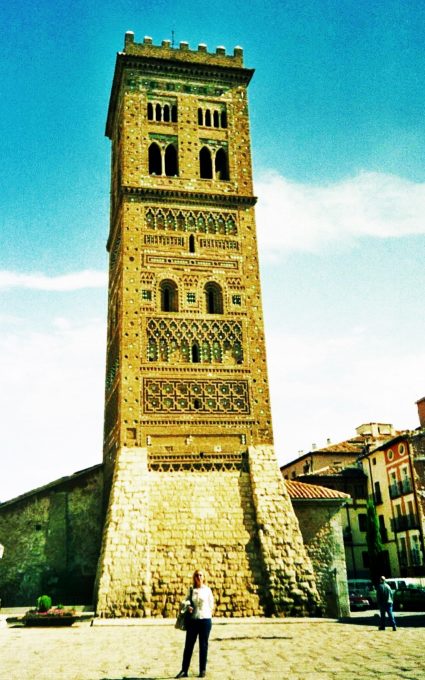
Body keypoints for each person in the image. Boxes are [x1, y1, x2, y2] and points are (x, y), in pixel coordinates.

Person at [176, 570, 214, 678]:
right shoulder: (191, 590)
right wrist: (189, 607)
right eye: (197, 575)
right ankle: (184, 670)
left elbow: (211, 604)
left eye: (200, 575)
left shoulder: (207, 590)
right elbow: (186, 602)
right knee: (188, 646)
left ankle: (202, 670)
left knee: (203, 645)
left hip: (205, 620)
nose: (199, 577)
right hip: (193, 620)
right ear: (194, 577)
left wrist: (206, 612)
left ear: (204, 577)